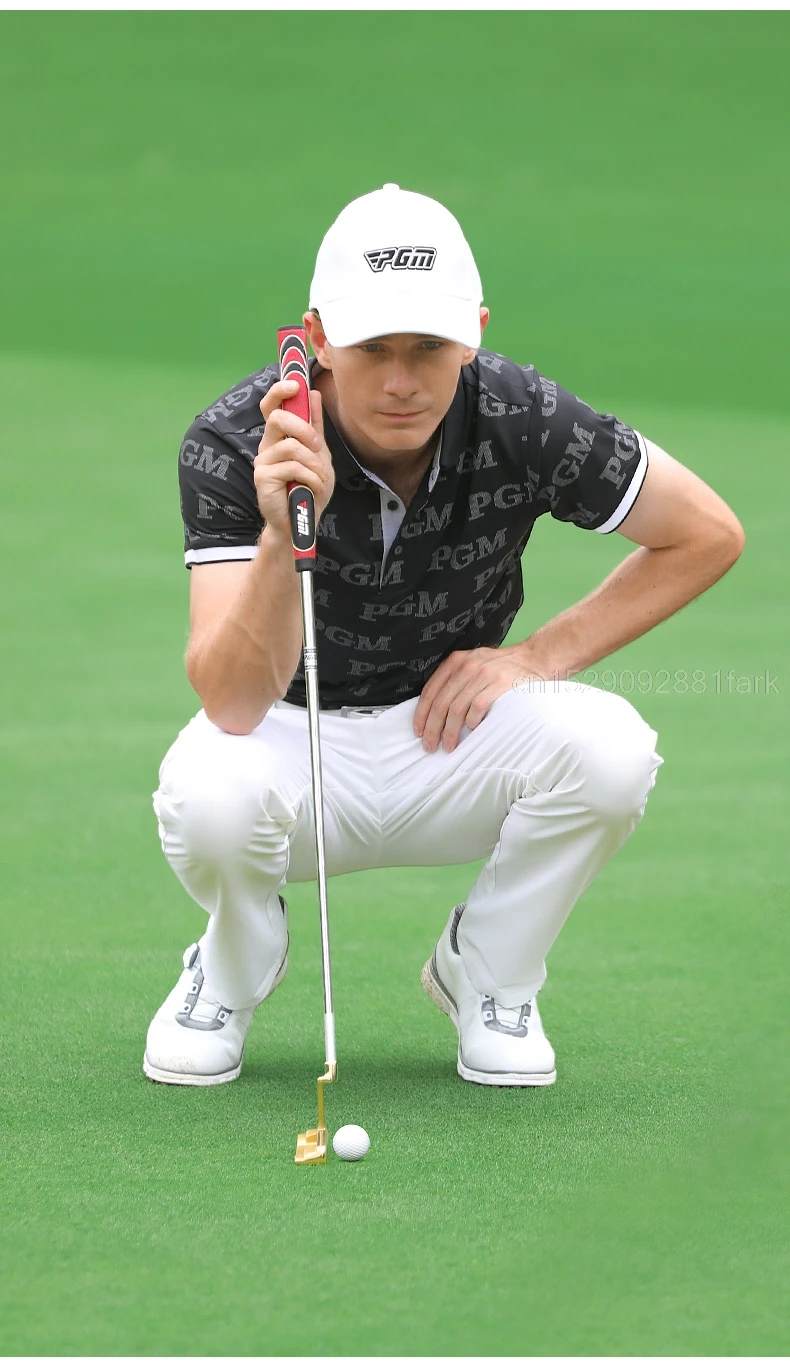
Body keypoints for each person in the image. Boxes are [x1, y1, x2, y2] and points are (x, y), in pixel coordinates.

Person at [145, 183, 744, 1088]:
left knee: (612, 751)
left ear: (474, 334)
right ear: (316, 339)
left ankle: (491, 973)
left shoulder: (521, 413)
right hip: (287, 743)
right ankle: (234, 963)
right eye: (372, 348)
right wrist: (279, 531)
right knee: (207, 796)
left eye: (428, 346)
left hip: (449, 736)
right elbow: (230, 702)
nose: (401, 381)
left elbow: (706, 532)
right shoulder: (234, 440)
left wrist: (537, 657)